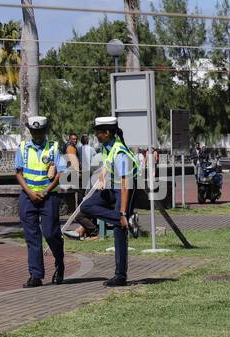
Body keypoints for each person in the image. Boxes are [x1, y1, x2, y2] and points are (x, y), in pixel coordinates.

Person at [74, 116, 140, 287]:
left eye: (99, 132)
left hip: (125, 190)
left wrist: (124, 212)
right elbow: (106, 164)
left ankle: (120, 276)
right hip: (113, 188)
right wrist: (102, 177)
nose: (96, 135)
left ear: (107, 133)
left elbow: (126, 185)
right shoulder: (107, 147)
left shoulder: (120, 153)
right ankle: (121, 220)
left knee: (119, 231)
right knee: (86, 206)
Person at [14, 116, 67, 287]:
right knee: (32, 236)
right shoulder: (23, 147)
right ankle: (36, 275)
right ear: (30, 130)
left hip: (49, 196)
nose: (36, 135)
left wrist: (46, 190)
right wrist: (29, 192)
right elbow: (18, 173)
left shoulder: (54, 147)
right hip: (28, 196)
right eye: (33, 131)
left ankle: (59, 264)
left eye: (40, 131)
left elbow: (60, 173)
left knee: (51, 233)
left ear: (45, 131)